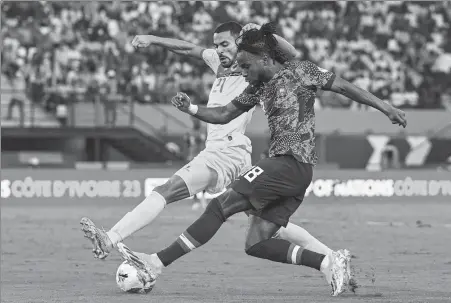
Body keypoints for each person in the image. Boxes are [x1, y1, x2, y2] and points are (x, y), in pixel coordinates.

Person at [113, 22, 407, 296]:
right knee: (256, 243)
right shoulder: (257, 87)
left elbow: (344, 86)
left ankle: (156, 262)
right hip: (292, 172)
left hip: (289, 163)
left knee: (220, 206)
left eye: (245, 65)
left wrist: (385, 107)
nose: (241, 72)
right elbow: (223, 114)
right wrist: (191, 109)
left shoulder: (300, 71)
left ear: (264, 59)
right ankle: (329, 263)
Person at [81, 22, 335, 272]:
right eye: (216, 46)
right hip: (233, 155)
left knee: (166, 190)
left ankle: (112, 238)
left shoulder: (254, 70)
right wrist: (153, 39)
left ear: (242, 46)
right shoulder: (220, 63)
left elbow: (290, 55)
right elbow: (187, 49)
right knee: (268, 222)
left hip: (224, 151)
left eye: (225, 44)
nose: (219, 50)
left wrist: (261, 33)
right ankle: (331, 258)